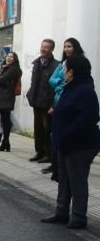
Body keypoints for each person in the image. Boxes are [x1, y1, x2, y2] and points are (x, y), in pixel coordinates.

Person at [41, 55, 100, 230]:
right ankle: (61, 212)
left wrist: (65, 135)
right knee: (64, 179)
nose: (63, 72)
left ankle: (79, 217)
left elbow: (87, 118)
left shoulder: (85, 91)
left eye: (65, 69)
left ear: (72, 72)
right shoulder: (70, 87)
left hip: (80, 145)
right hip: (65, 143)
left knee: (77, 180)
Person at [43, 38, 86, 175]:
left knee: (64, 133)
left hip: (69, 101)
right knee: (54, 133)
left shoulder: (80, 62)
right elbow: (52, 80)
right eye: (65, 46)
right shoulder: (63, 63)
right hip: (58, 100)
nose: (67, 49)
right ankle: (55, 164)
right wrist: (61, 83)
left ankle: (62, 164)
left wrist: (61, 84)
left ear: (76, 48)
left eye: (70, 46)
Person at [27, 39, 59, 164]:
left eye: (46, 47)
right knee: (38, 129)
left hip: (48, 103)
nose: (43, 49)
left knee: (47, 130)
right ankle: (39, 152)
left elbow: (57, 87)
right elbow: (33, 82)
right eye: (42, 46)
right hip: (36, 101)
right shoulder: (37, 63)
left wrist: (53, 105)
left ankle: (48, 154)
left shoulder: (56, 65)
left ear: (51, 49)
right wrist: (30, 95)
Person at [0, 52, 22, 152]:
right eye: (8, 56)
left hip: (7, 97)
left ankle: (5, 142)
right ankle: (5, 142)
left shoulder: (14, 69)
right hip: (2, 97)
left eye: (11, 57)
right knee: (4, 119)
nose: (9, 58)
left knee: (5, 120)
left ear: (15, 59)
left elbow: (1, 80)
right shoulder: (4, 67)